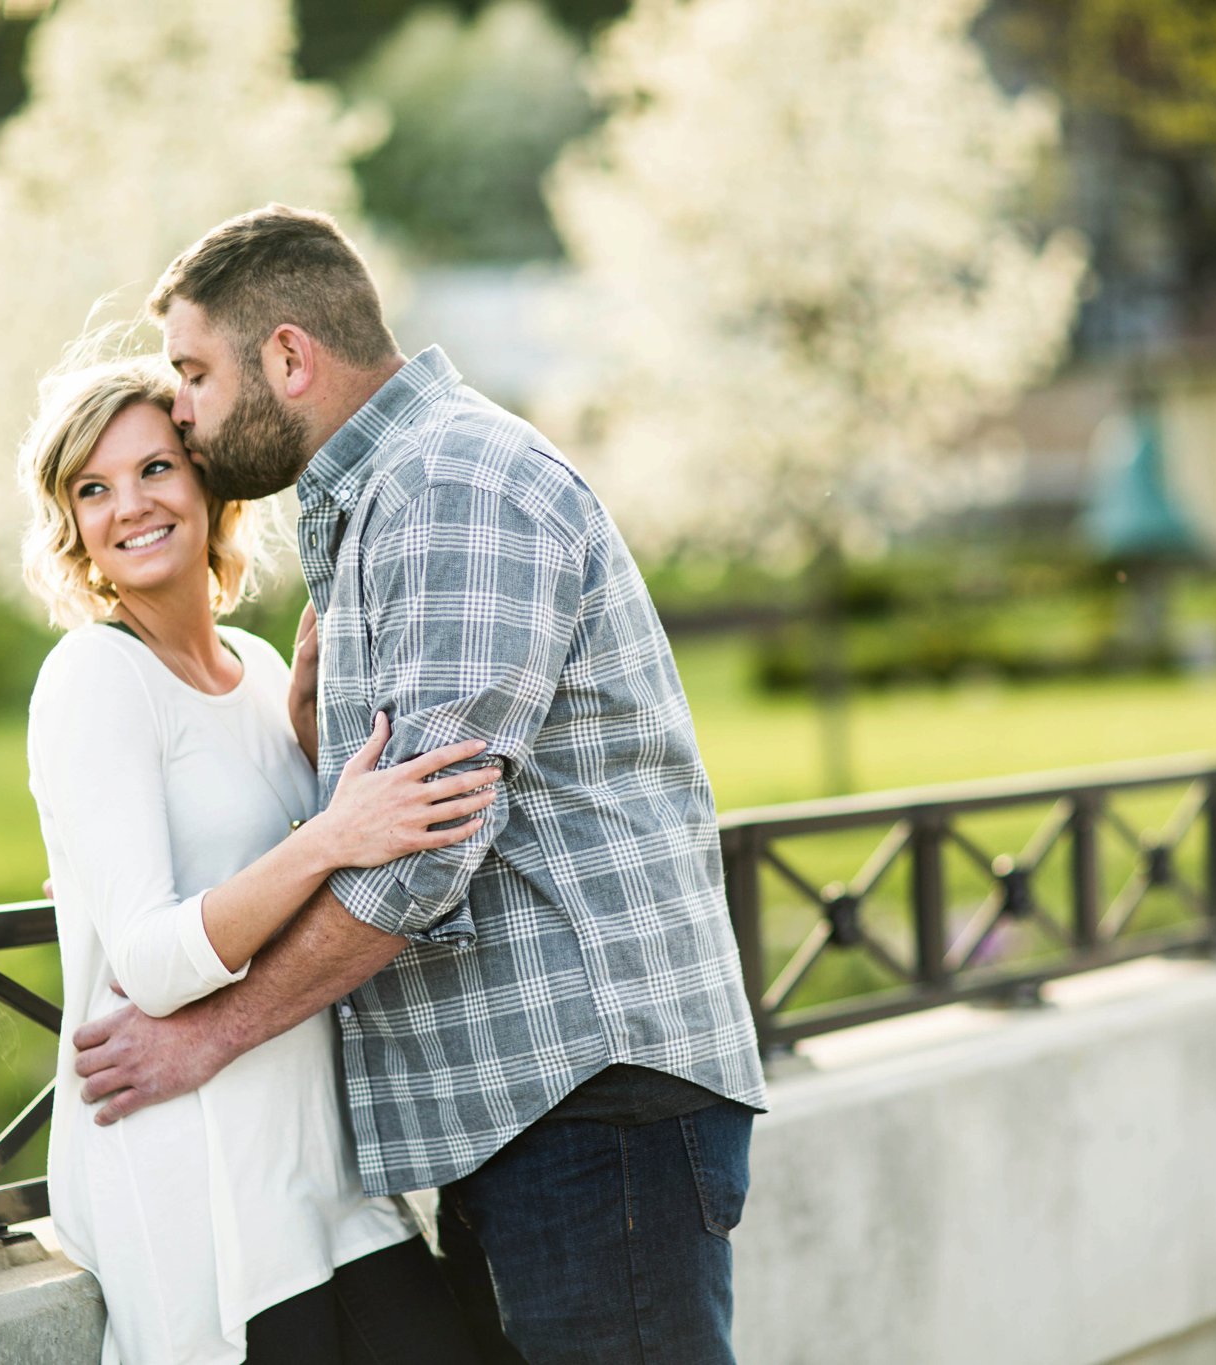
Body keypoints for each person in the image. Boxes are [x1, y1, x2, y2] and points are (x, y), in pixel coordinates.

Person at [69, 205, 770, 1365]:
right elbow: (386, 813)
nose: (180, 411)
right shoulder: (383, 498)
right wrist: (305, 737)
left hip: (589, 1108)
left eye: (192, 374)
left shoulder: (451, 486)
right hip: (524, 1114)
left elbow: (419, 856)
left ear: (288, 358)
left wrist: (209, 1035)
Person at [20, 356, 494, 1364]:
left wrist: (304, 745)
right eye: (91, 489)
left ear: (205, 486)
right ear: (72, 525)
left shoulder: (260, 671)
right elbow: (148, 962)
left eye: (154, 469)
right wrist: (332, 832)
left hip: (320, 1166)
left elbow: (286, 884)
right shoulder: (93, 678)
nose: (129, 507)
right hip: (198, 1172)